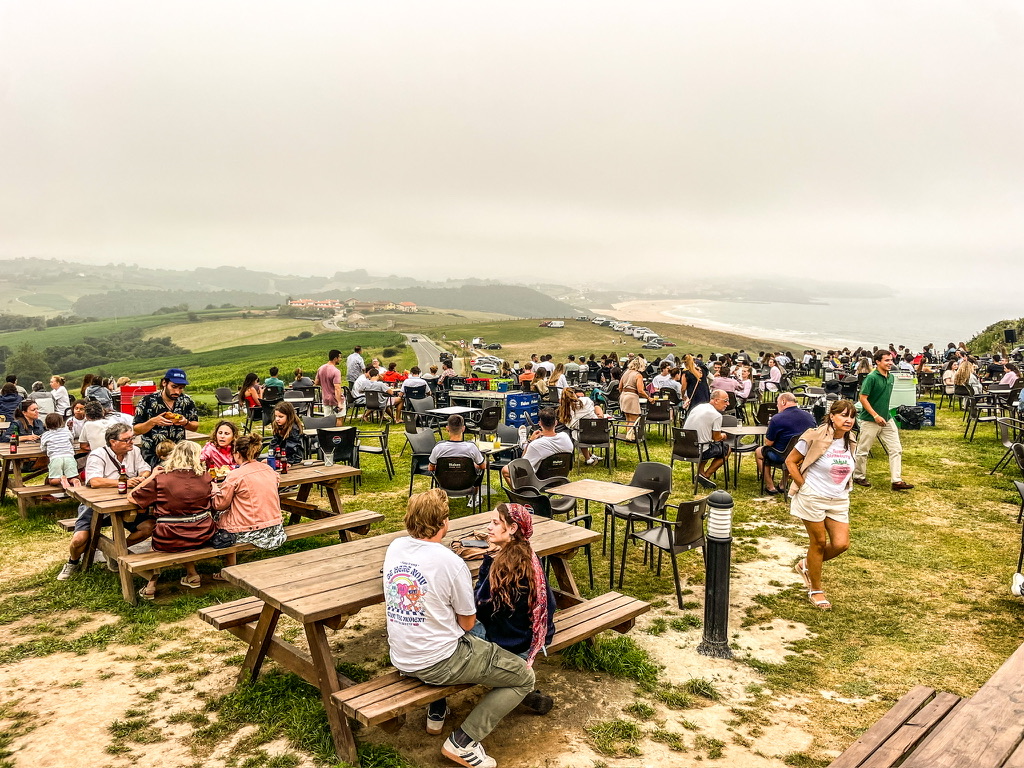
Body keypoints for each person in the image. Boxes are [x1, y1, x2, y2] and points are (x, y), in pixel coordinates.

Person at [383, 489, 535, 768]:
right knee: (524, 677)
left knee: (467, 635)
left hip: (402, 656)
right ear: (444, 523)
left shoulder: (395, 547)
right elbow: (466, 622)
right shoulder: (451, 563)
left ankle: (437, 709)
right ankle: (463, 742)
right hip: (438, 662)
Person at [428, 503, 557, 733]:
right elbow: (551, 603)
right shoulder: (532, 559)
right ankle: (525, 694)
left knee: (446, 622)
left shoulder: (500, 565)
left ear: (512, 528)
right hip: (528, 644)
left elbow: (478, 608)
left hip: (502, 645)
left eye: (496, 523)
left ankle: (436, 702)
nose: (488, 527)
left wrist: (487, 562)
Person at [57, 423, 153, 581]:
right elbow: (94, 481)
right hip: (96, 505)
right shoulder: (98, 454)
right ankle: (72, 562)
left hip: (124, 503)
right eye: (127, 439)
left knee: (149, 527)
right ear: (113, 441)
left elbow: (145, 467)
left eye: (132, 438)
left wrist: (142, 477)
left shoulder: (134, 451)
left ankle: (115, 552)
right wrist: (125, 483)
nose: (131, 442)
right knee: (79, 540)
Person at [787, 400, 858, 610]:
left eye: (852, 416)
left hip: (838, 498)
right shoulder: (813, 436)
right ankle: (816, 589)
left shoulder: (850, 439)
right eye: (844, 415)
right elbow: (791, 461)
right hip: (813, 497)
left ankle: (807, 565)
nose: (848, 420)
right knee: (818, 542)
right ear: (832, 416)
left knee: (841, 544)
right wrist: (803, 486)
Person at [128, 441, 217, 599]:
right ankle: (192, 575)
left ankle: (151, 586)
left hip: (169, 537)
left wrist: (152, 476)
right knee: (184, 530)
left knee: (158, 546)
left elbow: (132, 498)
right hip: (202, 533)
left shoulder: (162, 478)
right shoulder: (205, 477)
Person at [210, 432, 287, 577]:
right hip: (275, 528)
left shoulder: (235, 475)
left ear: (237, 453)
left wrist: (215, 490)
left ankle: (230, 570)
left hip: (249, 530)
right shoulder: (269, 470)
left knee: (219, 517)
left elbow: (219, 504)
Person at [853, 350, 913, 492]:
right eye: (886, 360)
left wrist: (884, 415)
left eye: (891, 360)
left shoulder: (891, 377)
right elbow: (862, 398)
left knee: (896, 449)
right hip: (870, 420)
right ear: (878, 362)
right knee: (863, 450)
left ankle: (896, 481)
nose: (890, 363)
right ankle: (858, 476)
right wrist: (875, 415)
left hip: (887, 419)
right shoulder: (871, 378)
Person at [132, 368, 200, 469]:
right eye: (174, 387)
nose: (177, 391)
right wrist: (153, 422)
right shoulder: (147, 401)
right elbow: (136, 430)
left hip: (178, 455)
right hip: (152, 454)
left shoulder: (187, 401)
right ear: (164, 383)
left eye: (181, 388)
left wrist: (185, 423)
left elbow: (195, 427)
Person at [755, 393, 816, 494]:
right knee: (793, 452)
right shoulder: (810, 417)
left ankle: (770, 486)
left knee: (759, 452)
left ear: (783, 402)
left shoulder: (777, 418)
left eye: (777, 403)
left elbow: (768, 443)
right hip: (803, 456)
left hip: (781, 455)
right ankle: (783, 484)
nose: (776, 406)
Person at [682, 389, 731, 490]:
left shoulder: (698, 407)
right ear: (716, 400)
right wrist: (723, 436)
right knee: (726, 449)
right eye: (725, 400)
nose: (728, 404)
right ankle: (706, 475)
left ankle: (700, 473)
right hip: (699, 450)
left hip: (683, 448)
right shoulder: (716, 415)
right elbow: (716, 438)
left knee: (708, 444)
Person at [514, 408, 574, 478]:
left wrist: (530, 441)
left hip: (539, 481)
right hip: (561, 477)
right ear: (556, 423)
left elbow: (522, 467)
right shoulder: (565, 437)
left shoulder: (535, 445)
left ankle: (524, 442)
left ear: (540, 423)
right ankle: (523, 443)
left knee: (505, 469)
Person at [557, 388, 605, 465]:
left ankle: (588, 458)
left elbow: (569, 425)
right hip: (600, 434)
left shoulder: (566, 409)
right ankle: (590, 456)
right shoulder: (586, 400)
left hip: (583, 436)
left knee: (576, 433)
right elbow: (593, 408)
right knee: (580, 431)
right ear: (574, 394)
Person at [40, 412, 80, 490]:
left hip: (55, 458)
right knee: (72, 476)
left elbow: (43, 448)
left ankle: (61, 480)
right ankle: (74, 480)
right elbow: (71, 441)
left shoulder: (45, 435)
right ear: (61, 422)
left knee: (52, 480)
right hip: (69, 457)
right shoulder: (66, 432)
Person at [617, 358, 646, 437]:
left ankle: (628, 436)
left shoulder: (625, 373)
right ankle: (630, 438)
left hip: (623, 395)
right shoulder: (638, 375)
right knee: (634, 419)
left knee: (628, 418)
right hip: (632, 397)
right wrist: (648, 397)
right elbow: (640, 390)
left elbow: (620, 387)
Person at [315, 349, 345, 419]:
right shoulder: (336, 371)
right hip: (335, 399)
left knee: (328, 420)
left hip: (326, 399)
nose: (340, 359)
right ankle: (338, 430)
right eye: (339, 357)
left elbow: (316, 382)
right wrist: (339, 403)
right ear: (335, 358)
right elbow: (337, 388)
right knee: (339, 419)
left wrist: (325, 384)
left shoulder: (321, 368)